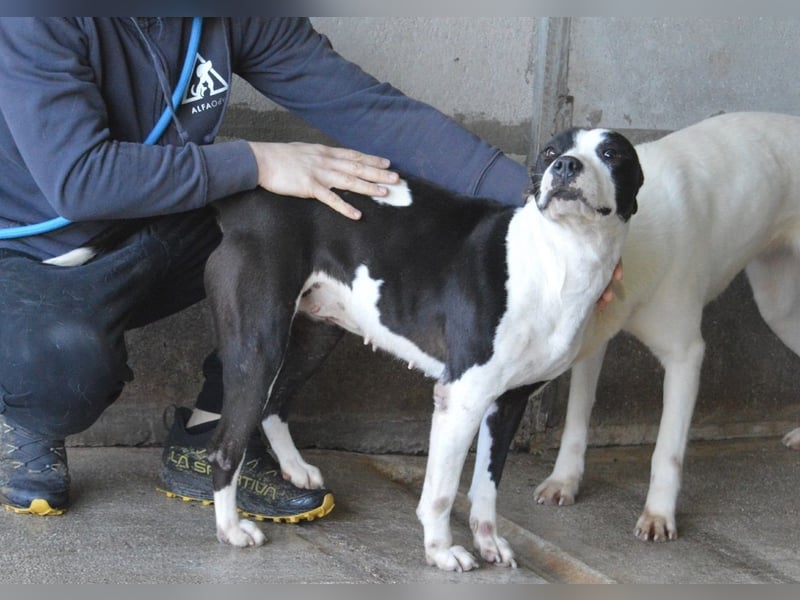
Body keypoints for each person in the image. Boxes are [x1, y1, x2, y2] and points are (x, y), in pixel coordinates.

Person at [0, 18, 619, 520]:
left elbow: (368, 110)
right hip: (36, 256)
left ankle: (215, 432)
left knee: (333, 201)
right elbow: (79, 180)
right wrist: (257, 160)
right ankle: (26, 418)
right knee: (61, 368)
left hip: (163, 220)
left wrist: (544, 215)